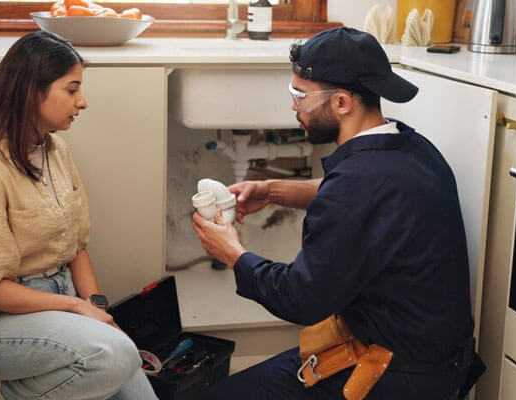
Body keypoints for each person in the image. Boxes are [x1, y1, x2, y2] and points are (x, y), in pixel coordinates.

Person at [191, 28, 480, 399]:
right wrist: (271, 189)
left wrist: (231, 252)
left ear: (342, 102)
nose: (293, 105)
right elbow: (351, 195)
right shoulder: (409, 147)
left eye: (299, 94)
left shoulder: (358, 185)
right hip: (435, 359)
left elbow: (300, 299)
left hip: (398, 376)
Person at [0, 31, 157, 400]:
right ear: (32, 92)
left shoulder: (55, 150)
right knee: (114, 356)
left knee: (126, 360)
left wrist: (99, 310)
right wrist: (76, 307)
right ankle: (4, 395)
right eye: (71, 90)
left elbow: (77, 249)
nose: (83, 102)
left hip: (63, 306)